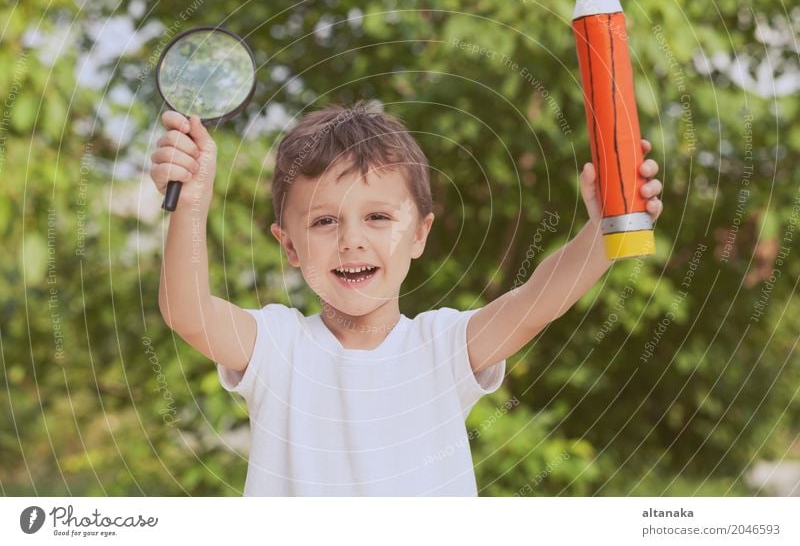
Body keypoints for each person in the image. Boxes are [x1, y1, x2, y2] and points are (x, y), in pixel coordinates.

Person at [149, 100, 663, 496]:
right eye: (324, 221)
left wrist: (604, 229)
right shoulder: (278, 346)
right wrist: (190, 204)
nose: (352, 240)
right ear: (289, 246)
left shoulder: (439, 347)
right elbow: (187, 311)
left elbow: (536, 301)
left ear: (419, 234)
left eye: (378, 217)